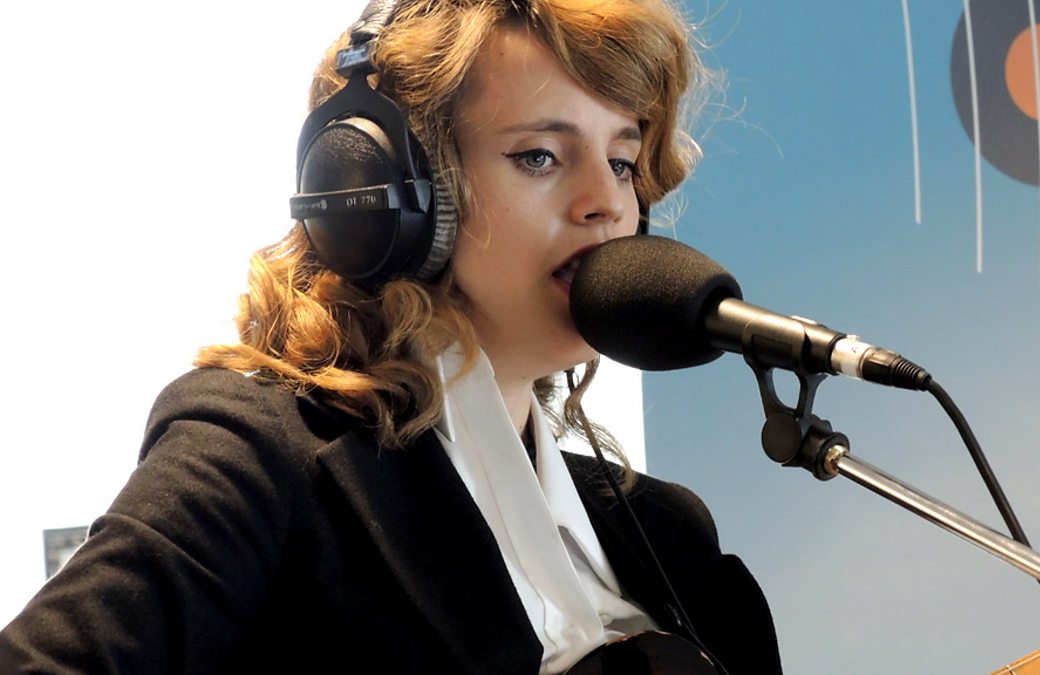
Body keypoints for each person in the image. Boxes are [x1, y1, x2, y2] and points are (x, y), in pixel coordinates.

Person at [0, 0, 781, 673]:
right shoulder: (258, 459)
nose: (605, 202)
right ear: (381, 194)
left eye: (622, 160)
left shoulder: (668, 536)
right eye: (539, 156)